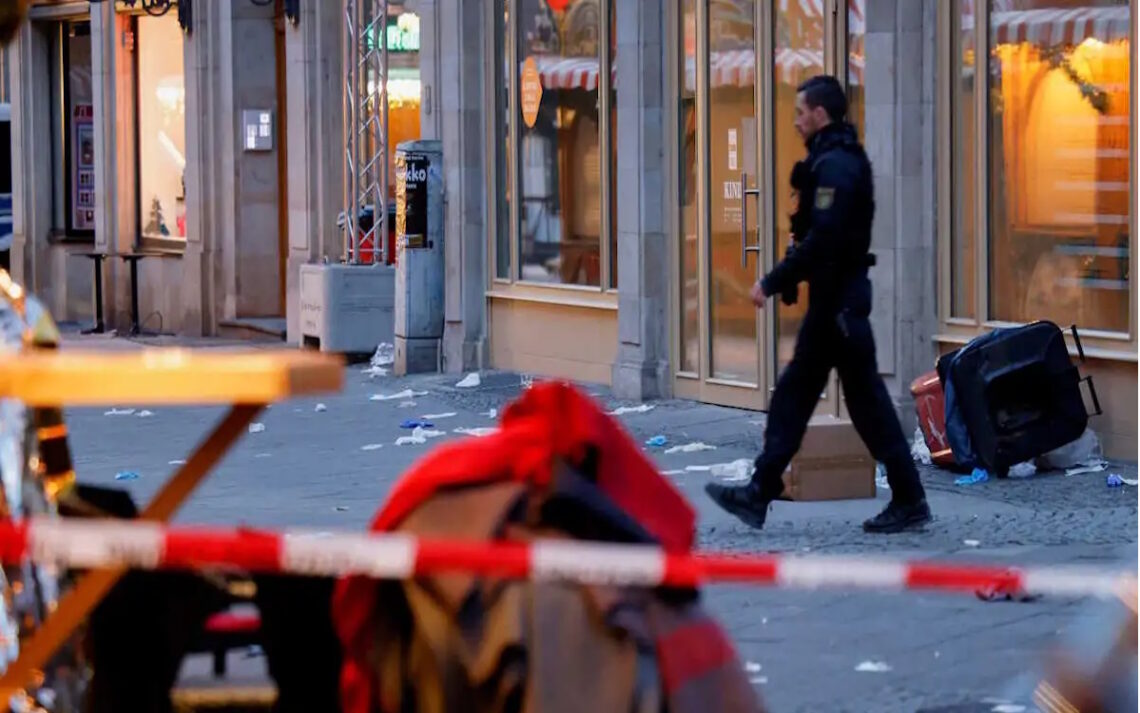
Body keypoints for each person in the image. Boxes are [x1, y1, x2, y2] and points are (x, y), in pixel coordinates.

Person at [705, 75, 931, 534]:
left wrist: (773, 281)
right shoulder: (831, 161)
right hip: (834, 304)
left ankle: (908, 499)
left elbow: (825, 240)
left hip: (840, 307)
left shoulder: (838, 167)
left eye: (800, 112)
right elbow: (816, 237)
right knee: (801, 396)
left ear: (820, 114)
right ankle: (761, 490)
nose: (795, 121)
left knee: (861, 404)